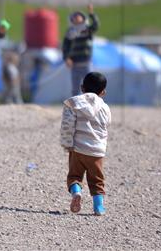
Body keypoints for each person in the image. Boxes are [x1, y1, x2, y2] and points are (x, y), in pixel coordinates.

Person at [60, 71, 111, 216]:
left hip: (77, 149)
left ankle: (76, 192)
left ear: (82, 88)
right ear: (103, 92)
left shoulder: (74, 104)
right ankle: (98, 207)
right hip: (97, 151)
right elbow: (107, 125)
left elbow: (67, 125)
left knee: (75, 176)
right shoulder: (105, 108)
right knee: (97, 181)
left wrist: (67, 143)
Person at [62, 3, 100, 96]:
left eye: (79, 16)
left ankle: (91, 106)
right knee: (75, 89)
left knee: (90, 86)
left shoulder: (87, 30)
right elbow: (65, 46)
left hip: (86, 63)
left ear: (83, 19)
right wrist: (66, 58)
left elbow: (96, 25)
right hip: (75, 64)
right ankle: (75, 108)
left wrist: (91, 13)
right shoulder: (70, 32)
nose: (77, 18)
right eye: (75, 16)